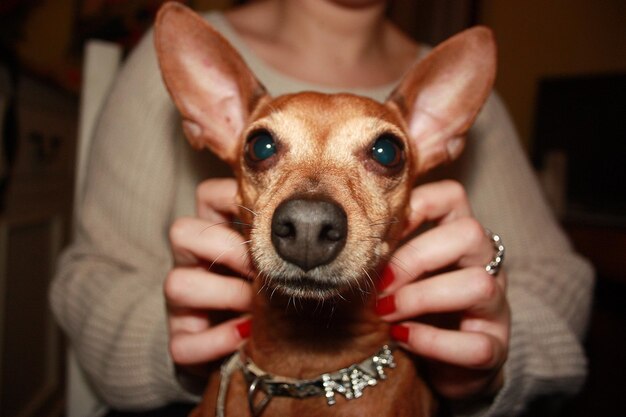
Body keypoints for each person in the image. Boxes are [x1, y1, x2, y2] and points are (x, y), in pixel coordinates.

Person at [50, 0, 594, 415]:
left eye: (382, 153)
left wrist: (489, 354)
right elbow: (86, 277)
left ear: (439, 140)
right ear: (215, 127)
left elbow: (563, 280)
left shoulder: (473, 103)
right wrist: (176, 342)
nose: (311, 216)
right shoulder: (163, 62)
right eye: (265, 148)